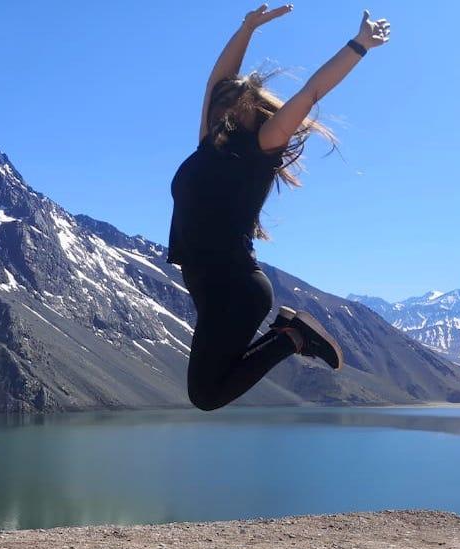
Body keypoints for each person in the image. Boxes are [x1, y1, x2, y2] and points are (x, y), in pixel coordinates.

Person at [166, 4, 390, 411]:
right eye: (220, 103)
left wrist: (360, 45)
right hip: (212, 288)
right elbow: (215, 79)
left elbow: (310, 92)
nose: (222, 107)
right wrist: (247, 27)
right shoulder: (205, 146)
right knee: (209, 387)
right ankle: (289, 334)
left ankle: (293, 336)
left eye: (233, 102)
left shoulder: (260, 149)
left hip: (236, 288)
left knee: (206, 395)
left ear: (253, 110)